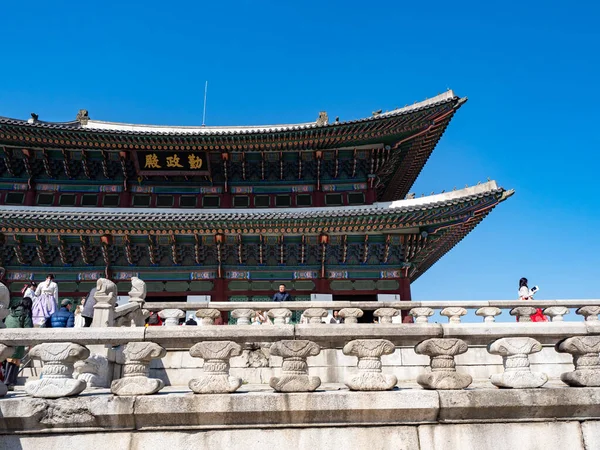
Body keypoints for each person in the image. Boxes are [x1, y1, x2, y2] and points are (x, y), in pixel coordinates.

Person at [4, 296, 33, 390]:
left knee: (8, 360)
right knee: (15, 361)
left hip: (6, 339)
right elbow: (28, 329)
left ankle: (6, 381)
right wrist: (30, 343)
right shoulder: (25, 313)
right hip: (18, 340)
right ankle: (9, 382)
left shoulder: (11, 311)